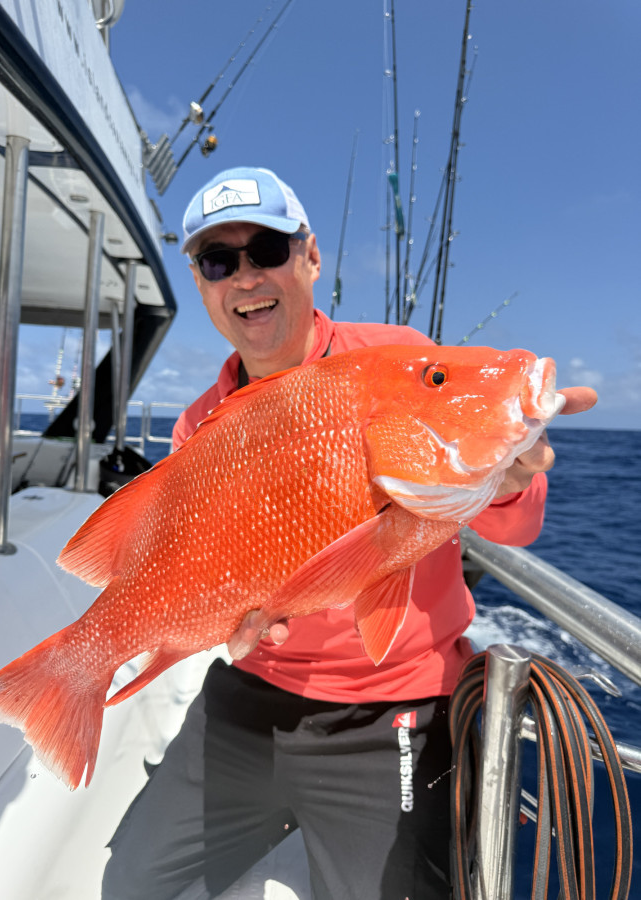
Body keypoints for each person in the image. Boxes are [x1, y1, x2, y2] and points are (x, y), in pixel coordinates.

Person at [102, 167, 596, 900]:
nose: (246, 277)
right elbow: (199, 567)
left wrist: (511, 473)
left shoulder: (396, 359)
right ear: (201, 285)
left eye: (267, 249)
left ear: (310, 257)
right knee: (128, 883)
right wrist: (220, 619)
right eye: (218, 261)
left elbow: (517, 526)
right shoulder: (200, 424)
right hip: (248, 692)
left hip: (389, 710)